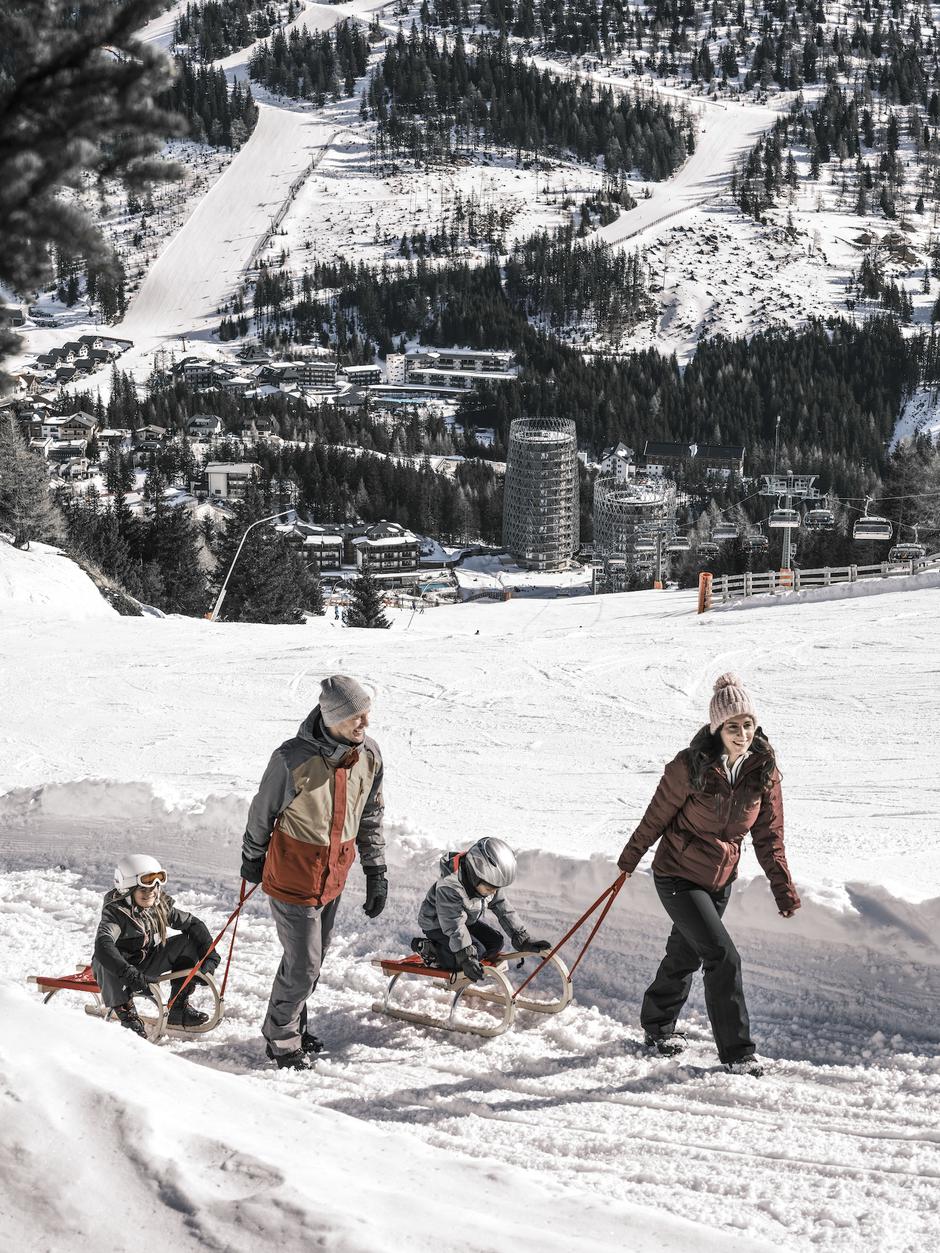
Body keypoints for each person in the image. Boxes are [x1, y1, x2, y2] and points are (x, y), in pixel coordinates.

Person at [617, 674, 800, 1077]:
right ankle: (737, 1054)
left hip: (720, 881)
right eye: (733, 726)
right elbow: (657, 816)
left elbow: (770, 836)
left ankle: (657, 1027)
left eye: (748, 724)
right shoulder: (691, 765)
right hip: (677, 875)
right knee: (722, 956)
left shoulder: (762, 770)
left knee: (685, 953)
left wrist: (783, 889)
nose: (742, 733)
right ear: (717, 729)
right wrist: (629, 859)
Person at [241, 675, 386, 1071]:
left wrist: (376, 868)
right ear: (332, 716)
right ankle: (281, 1039)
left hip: (333, 875)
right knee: (304, 964)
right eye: (356, 716)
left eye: (366, 713)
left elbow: (370, 814)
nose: (365, 724)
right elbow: (262, 811)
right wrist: (252, 856)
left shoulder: (369, 755)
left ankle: (293, 1025)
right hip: (293, 875)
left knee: (309, 962)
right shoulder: (291, 759)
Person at [92, 854, 219, 1038]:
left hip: (146, 962)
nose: (150, 892)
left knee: (188, 942)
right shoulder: (116, 912)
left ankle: (177, 1006)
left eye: (155, 887)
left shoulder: (157, 904)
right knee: (102, 959)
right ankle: (127, 1014)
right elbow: (103, 944)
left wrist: (210, 955)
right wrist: (128, 973)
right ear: (127, 890)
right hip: (120, 971)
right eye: (143, 888)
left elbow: (193, 924)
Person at [412, 836, 552, 980]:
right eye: (490, 888)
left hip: (464, 920)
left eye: (496, 888)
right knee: (474, 952)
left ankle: (457, 954)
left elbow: (503, 909)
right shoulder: (450, 887)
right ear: (475, 875)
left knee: (496, 942)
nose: (493, 892)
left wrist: (522, 939)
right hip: (437, 924)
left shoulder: (488, 883)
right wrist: (466, 958)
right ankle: (429, 950)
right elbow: (454, 926)